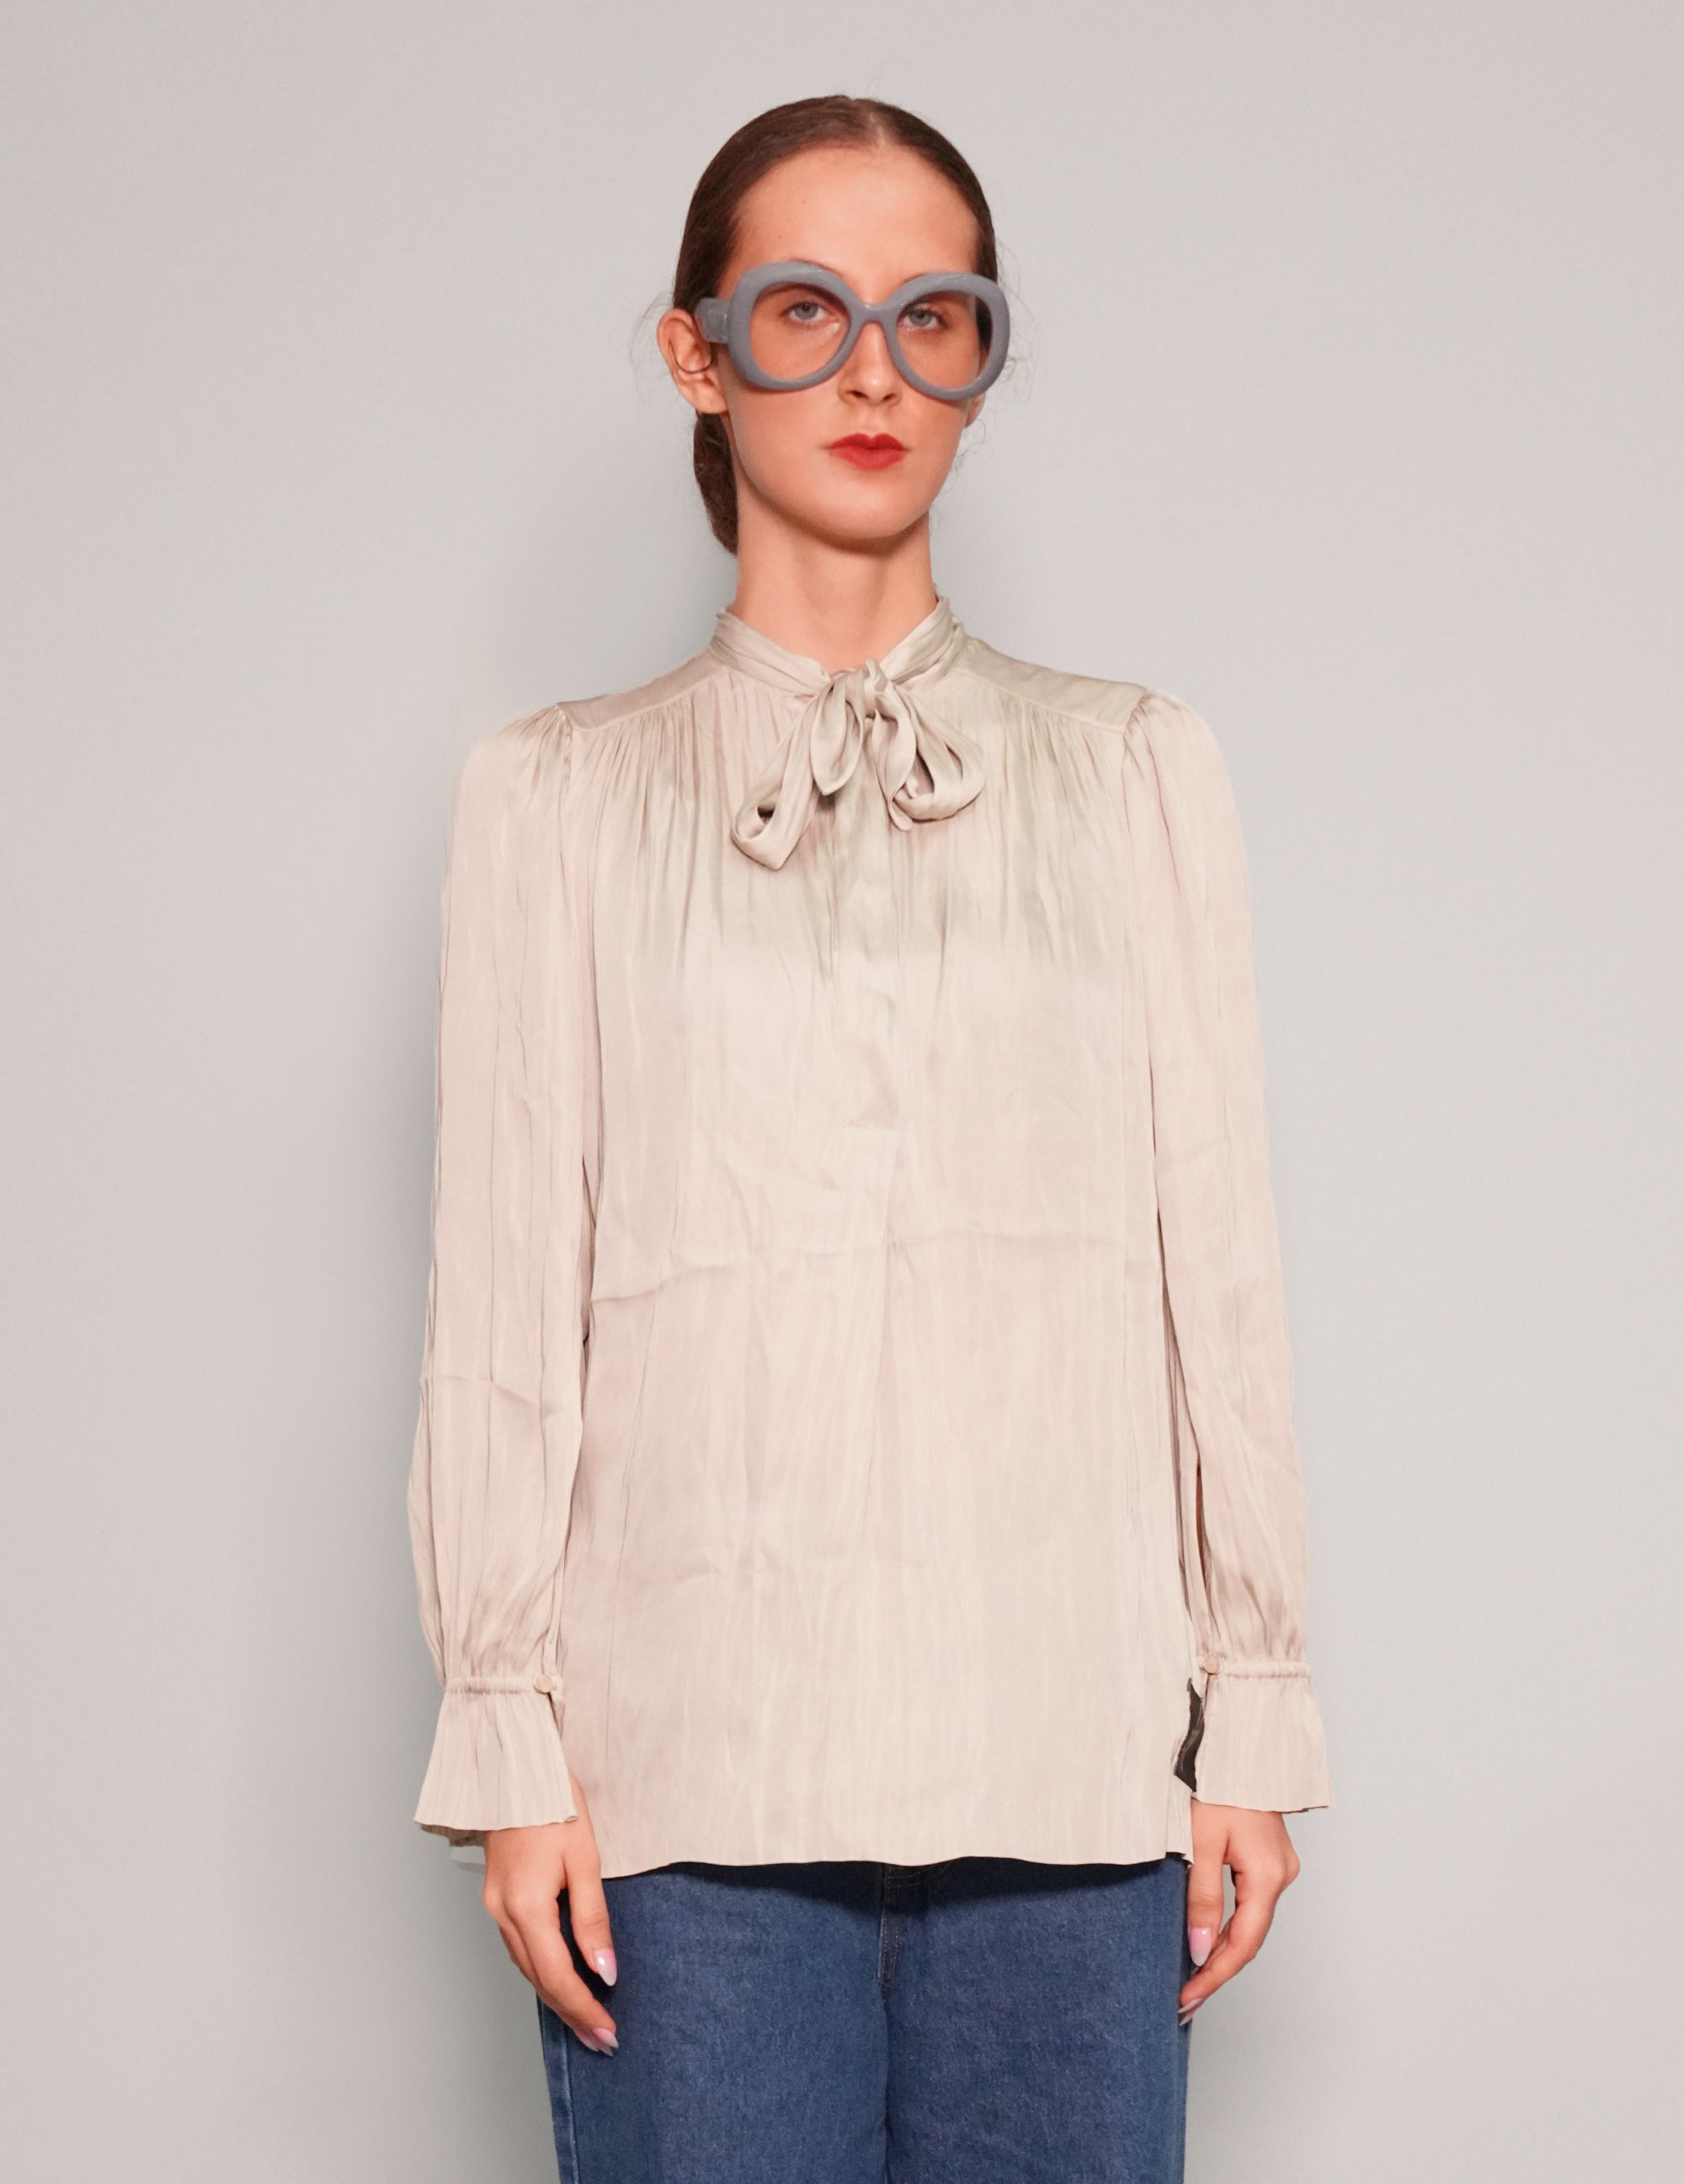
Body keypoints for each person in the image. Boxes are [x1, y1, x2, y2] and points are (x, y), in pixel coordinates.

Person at [406, 93, 1330, 2184]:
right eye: (805, 309)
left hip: (1073, 1777)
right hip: (685, 1790)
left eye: (935, 318)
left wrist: (1254, 1705)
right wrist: (509, 1741)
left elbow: (1217, 1274)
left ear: (982, 364)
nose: (871, 374)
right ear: (698, 351)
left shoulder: (1131, 768)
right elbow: (505, 1302)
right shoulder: (556, 797)